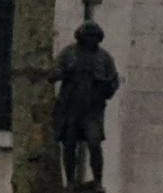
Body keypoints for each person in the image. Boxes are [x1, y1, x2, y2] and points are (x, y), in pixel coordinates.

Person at [51, 21, 120, 191]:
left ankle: (97, 181)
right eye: (88, 37)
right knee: (69, 144)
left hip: (93, 109)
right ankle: (70, 181)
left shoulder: (104, 58)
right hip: (70, 107)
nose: (91, 40)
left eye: (94, 37)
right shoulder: (69, 53)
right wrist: (66, 72)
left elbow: (113, 81)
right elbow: (52, 74)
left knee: (94, 144)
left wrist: (103, 84)